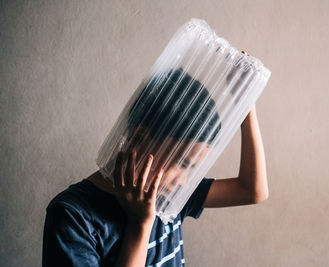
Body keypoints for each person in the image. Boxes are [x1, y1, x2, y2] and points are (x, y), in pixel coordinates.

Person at [42, 67, 269, 266]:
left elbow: (252, 190)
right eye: (183, 163)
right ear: (139, 139)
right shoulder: (72, 216)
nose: (184, 181)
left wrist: (245, 105)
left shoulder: (171, 196)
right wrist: (140, 225)